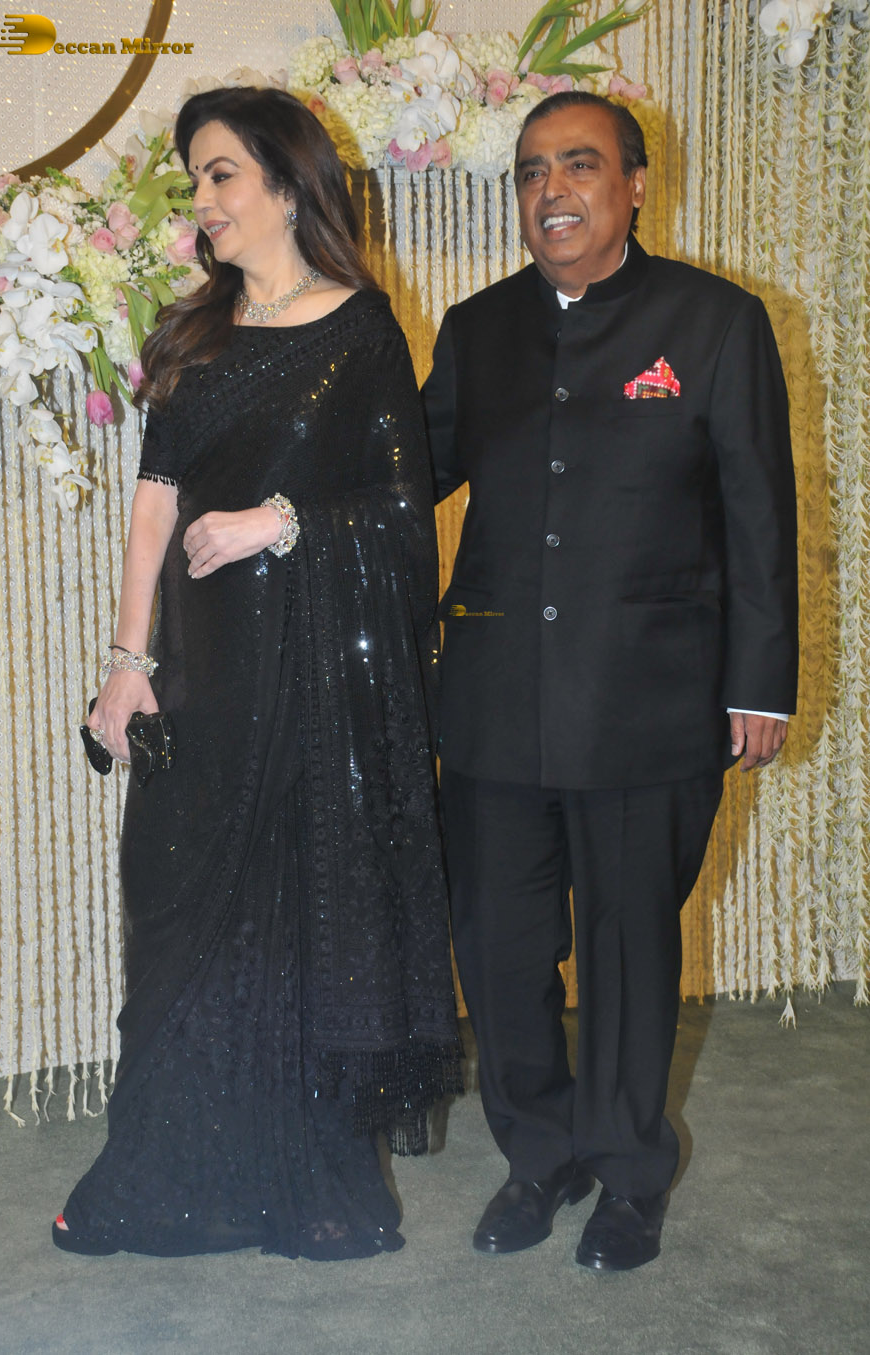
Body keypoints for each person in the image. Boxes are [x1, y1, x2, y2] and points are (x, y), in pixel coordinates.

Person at [54, 86, 461, 1260]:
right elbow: (152, 510)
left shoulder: (363, 331)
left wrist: (277, 522)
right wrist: (126, 664)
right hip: (203, 678)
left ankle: (306, 1185)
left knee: (301, 926)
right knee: (177, 918)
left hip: (319, 691)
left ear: (287, 184)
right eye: (195, 178)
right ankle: (163, 1179)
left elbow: (403, 516)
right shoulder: (194, 335)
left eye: (220, 173)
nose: (202, 199)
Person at [422, 91, 798, 1271]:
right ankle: (540, 1154)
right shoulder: (476, 329)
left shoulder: (716, 321)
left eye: (579, 165)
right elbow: (401, 480)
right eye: (533, 171)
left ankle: (630, 1173)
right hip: (493, 702)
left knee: (631, 951)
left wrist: (761, 683)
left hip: (649, 703)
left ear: (635, 183)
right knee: (498, 946)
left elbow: (759, 513)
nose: (553, 190)